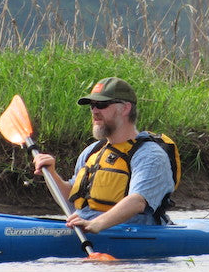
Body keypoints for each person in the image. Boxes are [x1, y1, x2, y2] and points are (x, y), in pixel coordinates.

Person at [31, 77, 175, 233]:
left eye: (102, 104)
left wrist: (96, 224)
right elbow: (70, 201)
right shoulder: (92, 151)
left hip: (129, 233)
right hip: (83, 228)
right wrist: (51, 173)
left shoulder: (150, 155)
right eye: (92, 105)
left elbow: (138, 201)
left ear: (125, 108)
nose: (94, 111)